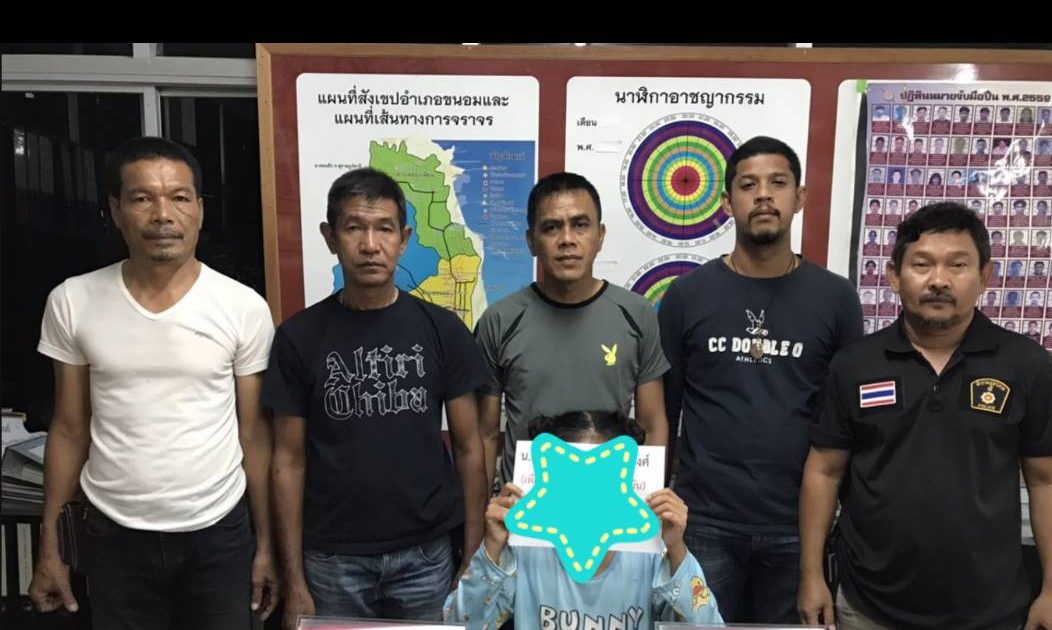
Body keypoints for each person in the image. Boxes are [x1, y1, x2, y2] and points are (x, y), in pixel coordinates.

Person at [29, 136, 278, 627]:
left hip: (218, 534)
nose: (163, 215)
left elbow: (254, 433)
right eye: (142, 198)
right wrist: (51, 546)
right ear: (116, 210)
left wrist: (266, 544)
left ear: (199, 210)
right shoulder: (73, 300)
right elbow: (69, 428)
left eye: (179, 197)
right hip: (114, 535)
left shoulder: (242, 306)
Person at [798, 202, 1052, 630]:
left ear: (984, 276)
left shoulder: (1027, 365)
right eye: (922, 264)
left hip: (991, 612)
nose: (939, 281)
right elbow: (824, 472)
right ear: (894, 276)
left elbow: (1050, 481)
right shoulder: (855, 365)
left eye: (958, 265)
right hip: (868, 607)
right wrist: (811, 576)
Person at [264, 167, 489, 626]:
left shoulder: (442, 330)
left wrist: (472, 554)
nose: (370, 245)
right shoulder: (298, 338)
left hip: (425, 555)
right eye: (354, 228)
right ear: (330, 237)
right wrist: (294, 579)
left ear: (403, 239)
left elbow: (470, 449)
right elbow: (287, 460)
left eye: (384, 228)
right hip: (331, 560)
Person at [658, 136, 862, 623]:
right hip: (703, 520)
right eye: (748, 185)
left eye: (778, 183)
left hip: (799, 524)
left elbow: (846, 423)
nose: (764, 195)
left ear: (800, 197)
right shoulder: (687, 296)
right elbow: (665, 412)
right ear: (727, 203)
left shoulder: (836, 299)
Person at [475, 172, 670, 491]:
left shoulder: (638, 314)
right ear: (531, 241)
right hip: (527, 508)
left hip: (610, 500)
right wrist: (483, 514)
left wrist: (646, 506)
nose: (567, 239)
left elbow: (652, 424)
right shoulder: (499, 321)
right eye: (552, 227)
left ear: (600, 236)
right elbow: (484, 434)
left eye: (580, 225)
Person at [444, 410, 724, 628]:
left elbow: (707, 625)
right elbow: (459, 623)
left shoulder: (652, 553)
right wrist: (492, 549)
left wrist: (676, 550)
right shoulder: (523, 550)